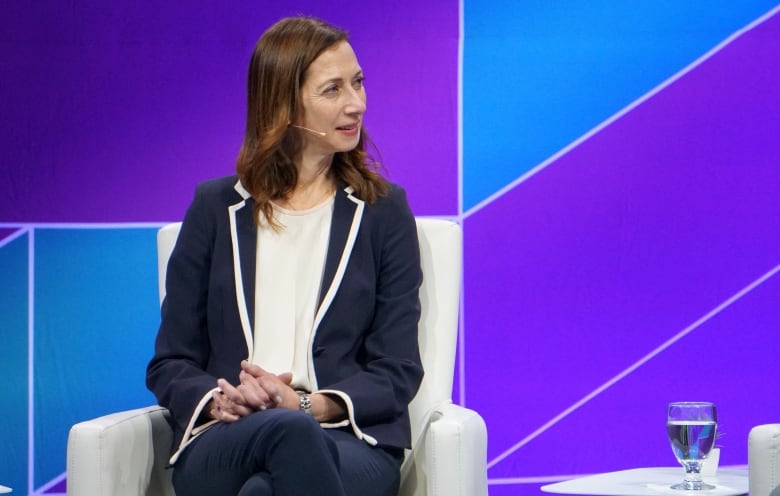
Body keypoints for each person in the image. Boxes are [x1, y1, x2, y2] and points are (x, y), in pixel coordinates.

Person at [145, 15, 423, 496]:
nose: (355, 103)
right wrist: (219, 402)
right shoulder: (215, 210)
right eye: (332, 89)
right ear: (283, 104)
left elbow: (398, 370)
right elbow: (170, 361)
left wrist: (303, 405)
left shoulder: (382, 212)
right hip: (225, 437)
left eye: (357, 83)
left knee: (267, 483)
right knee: (285, 439)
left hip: (347, 441)